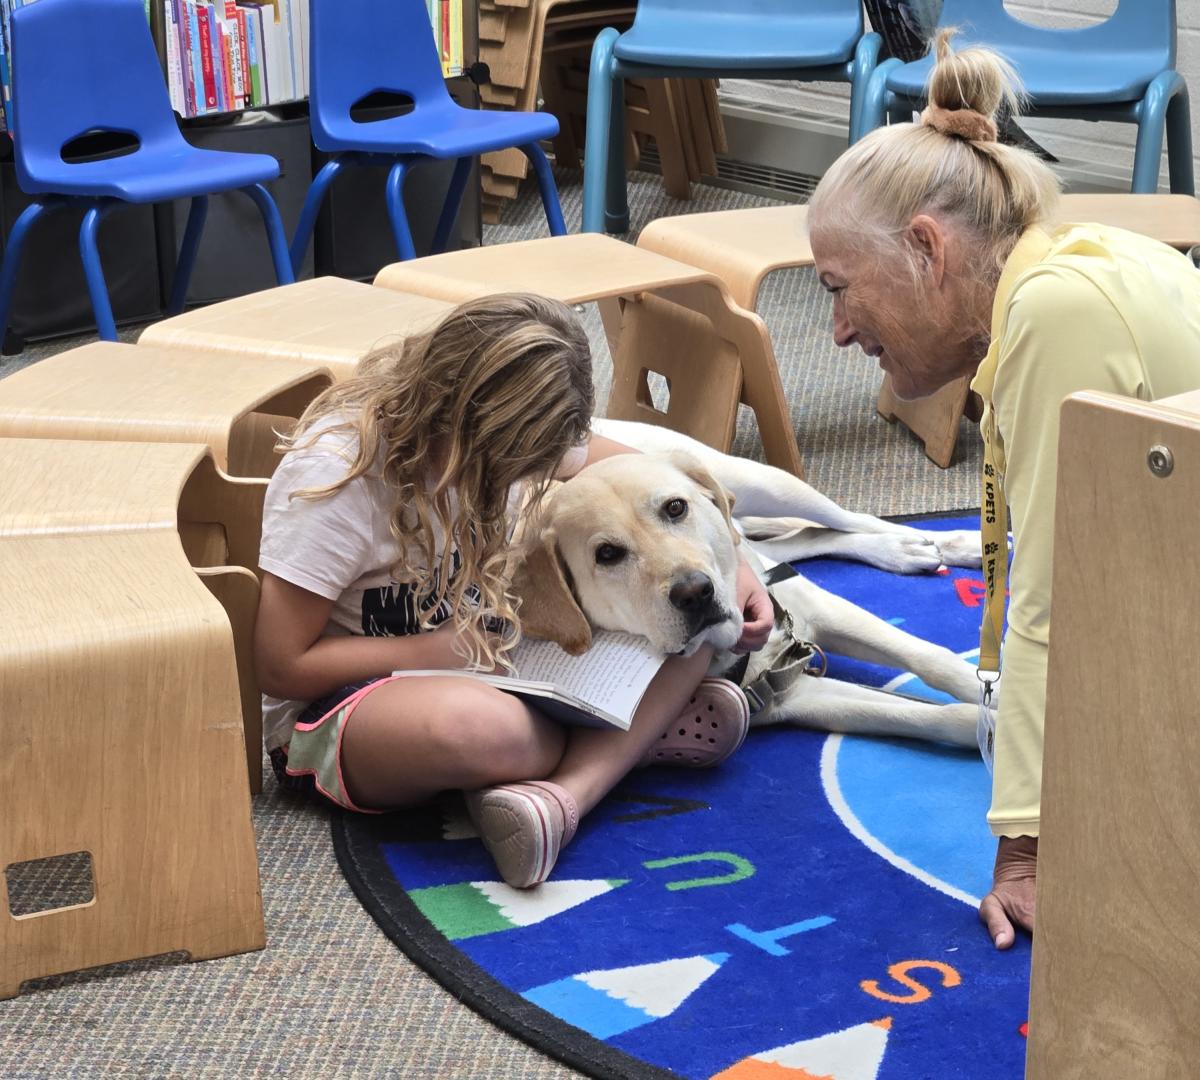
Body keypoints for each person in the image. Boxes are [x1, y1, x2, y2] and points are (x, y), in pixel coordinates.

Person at [806, 32, 1200, 948]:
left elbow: (1059, 603)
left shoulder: (1054, 314)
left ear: (926, 248)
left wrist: (1026, 853)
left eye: (839, 288)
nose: (835, 330)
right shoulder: (1074, 259)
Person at [254, 292, 772, 889]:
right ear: (457, 414)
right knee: (482, 731)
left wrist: (732, 562)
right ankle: (624, 747)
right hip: (355, 702)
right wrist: (430, 653)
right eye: (513, 462)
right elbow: (280, 666)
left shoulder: (526, 434)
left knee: (685, 618)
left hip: (504, 662)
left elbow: (655, 482)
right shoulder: (338, 475)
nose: (528, 476)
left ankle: (559, 799)